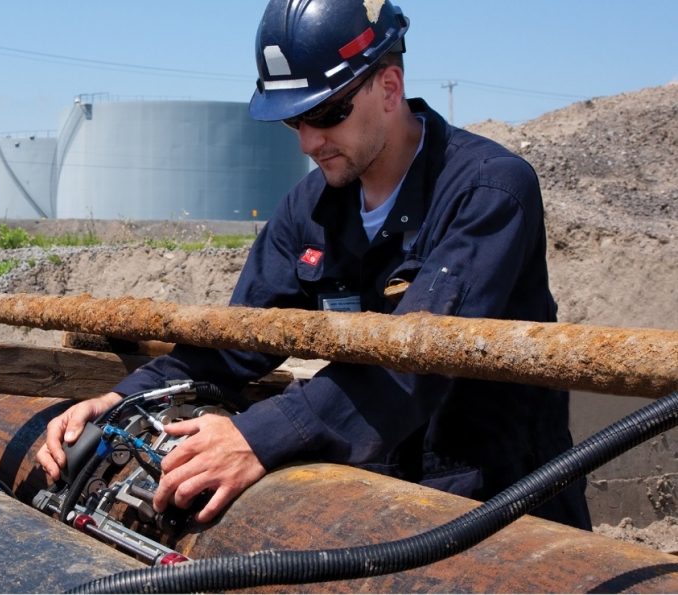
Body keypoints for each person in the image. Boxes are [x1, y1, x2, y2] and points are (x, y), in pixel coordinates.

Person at [37, 0, 592, 530]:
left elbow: (417, 363)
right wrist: (120, 400)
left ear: (389, 88)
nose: (308, 141)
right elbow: (236, 343)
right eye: (294, 120)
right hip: (380, 495)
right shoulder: (309, 210)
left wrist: (258, 437)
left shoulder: (488, 192)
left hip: (504, 499)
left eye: (326, 113)